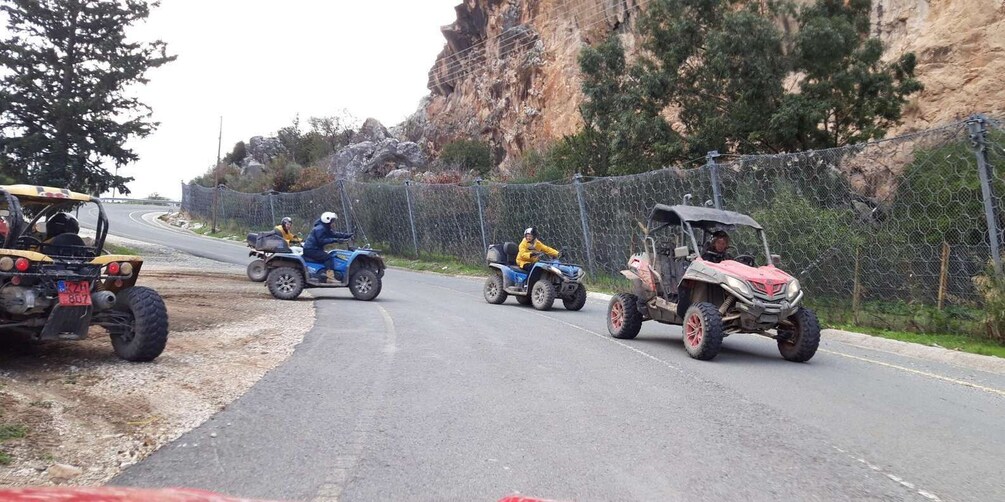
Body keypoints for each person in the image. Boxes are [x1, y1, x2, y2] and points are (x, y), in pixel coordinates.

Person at [302, 211, 353, 281]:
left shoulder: (325, 227)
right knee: (328, 257)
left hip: (314, 249)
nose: (333, 223)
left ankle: (325, 273)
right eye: (332, 221)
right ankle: (330, 277)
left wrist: (347, 235)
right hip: (311, 249)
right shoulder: (320, 229)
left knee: (331, 254)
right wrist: (335, 240)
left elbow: (334, 234)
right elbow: (321, 240)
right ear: (327, 220)